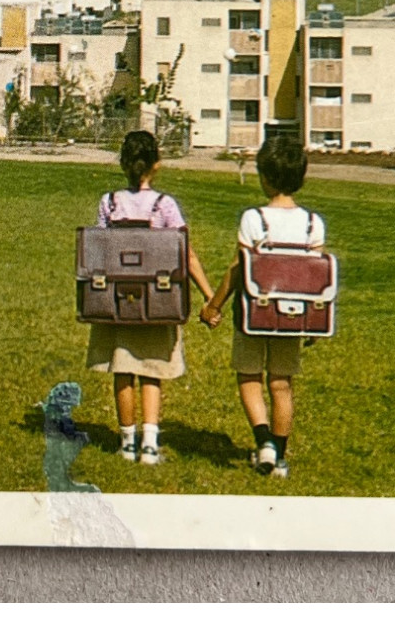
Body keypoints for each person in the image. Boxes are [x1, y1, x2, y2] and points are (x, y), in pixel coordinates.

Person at [86, 130, 215, 465]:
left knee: (123, 369)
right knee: (151, 371)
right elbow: (186, 255)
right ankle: (150, 445)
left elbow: (98, 250)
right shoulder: (164, 205)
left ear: (124, 164)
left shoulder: (109, 202)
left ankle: (126, 442)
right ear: (156, 165)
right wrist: (209, 295)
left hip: (118, 301)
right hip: (157, 300)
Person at [200, 134, 324, 479]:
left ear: (265, 177)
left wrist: (213, 305)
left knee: (249, 376)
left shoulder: (253, 219)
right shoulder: (313, 223)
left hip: (254, 314)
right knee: (282, 384)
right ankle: (279, 458)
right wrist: (316, 322)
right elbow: (314, 277)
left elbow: (238, 270)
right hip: (295, 316)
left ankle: (263, 440)